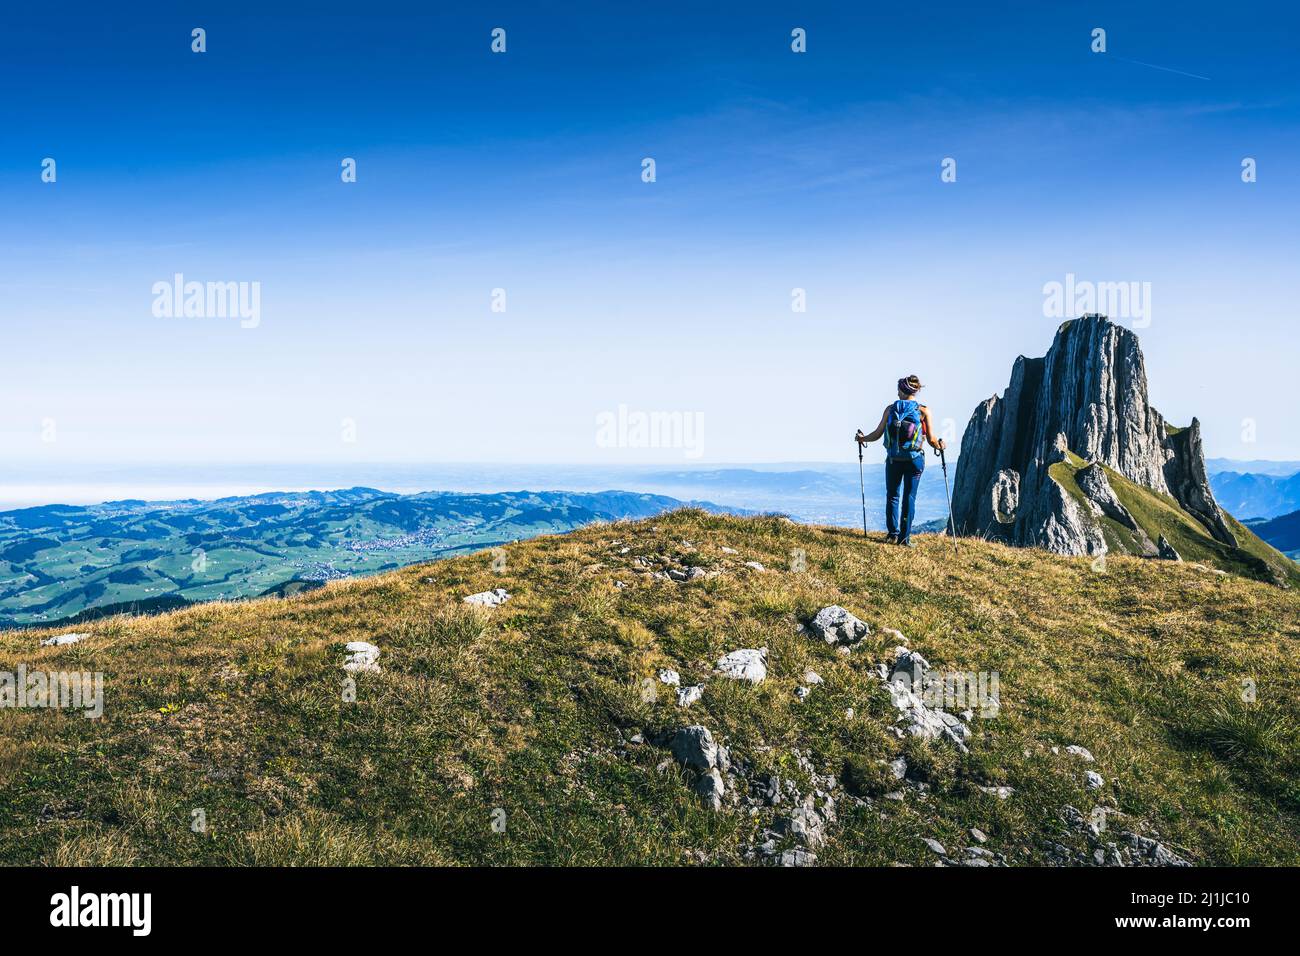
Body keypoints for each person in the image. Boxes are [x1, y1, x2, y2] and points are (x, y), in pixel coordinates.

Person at [855, 375, 946, 546]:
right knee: (909, 497)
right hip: (915, 460)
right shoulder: (923, 411)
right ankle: (905, 539)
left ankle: (892, 534)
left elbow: (877, 433)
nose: (897, 393)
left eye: (898, 389)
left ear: (903, 390)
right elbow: (932, 440)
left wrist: (862, 439)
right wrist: (941, 446)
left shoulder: (890, 409)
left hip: (893, 459)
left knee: (892, 496)